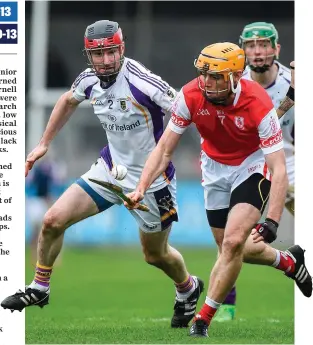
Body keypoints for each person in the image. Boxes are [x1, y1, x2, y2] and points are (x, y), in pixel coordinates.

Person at [1, 20, 204, 328]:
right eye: (99, 54)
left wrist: (207, 150)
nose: (106, 60)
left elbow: (185, 110)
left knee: (155, 255)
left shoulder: (142, 81)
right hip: (109, 170)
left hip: (153, 183)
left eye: (112, 52)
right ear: (89, 56)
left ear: (121, 49)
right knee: (53, 220)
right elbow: (68, 100)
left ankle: (188, 288)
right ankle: (39, 288)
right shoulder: (87, 81)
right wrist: (44, 143)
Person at [124, 42, 312, 338]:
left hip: (251, 165)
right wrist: (140, 188)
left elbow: (278, 168)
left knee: (234, 242)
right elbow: (163, 150)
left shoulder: (258, 103)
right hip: (213, 170)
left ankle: (203, 319)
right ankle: (288, 261)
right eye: (203, 74)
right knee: (235, 248)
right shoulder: (190, 95)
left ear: (236, 77)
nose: (207, 83)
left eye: (216, 77)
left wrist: (272, 220)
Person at [215, 21, 295, 322]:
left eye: (264, 45)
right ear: (242, 50)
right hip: (251, 166)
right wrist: (290, 100)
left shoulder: (296, 78)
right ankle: (227, 302)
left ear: (276, 48)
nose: (258, 52)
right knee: (229, 241)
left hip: (293, 164)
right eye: (251, 46)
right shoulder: (233, 83)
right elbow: (252, 130)